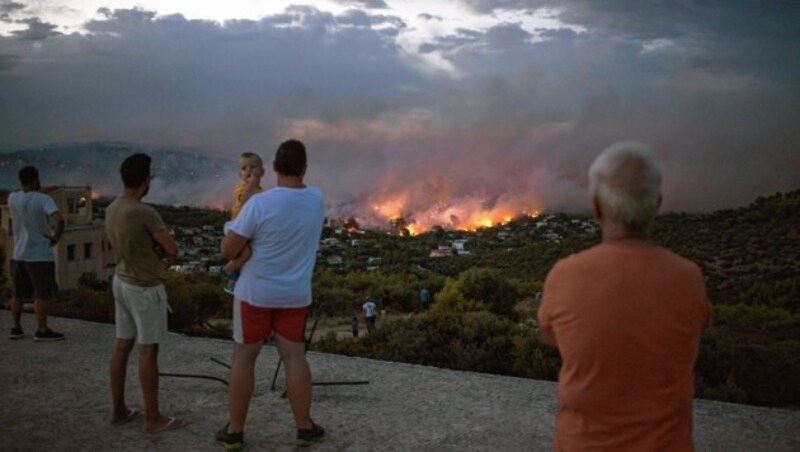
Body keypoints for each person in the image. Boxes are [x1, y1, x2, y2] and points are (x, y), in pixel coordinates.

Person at [537, 142, 712, 451]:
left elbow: (552, 337)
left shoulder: (565, 276)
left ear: (596, 207)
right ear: (657, 204)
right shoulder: (688, 278)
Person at [216, 139, 325, 450]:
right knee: (294, 357)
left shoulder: (259, 204)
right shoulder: (316, 199)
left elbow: (228, 249)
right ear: (304, 169)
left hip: (255, 294)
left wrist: (231, 226)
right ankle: (304, 427)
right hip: (294, 295)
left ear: (274, 168)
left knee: (244, 358)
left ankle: (235, 432)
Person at [105, 153, 185, 433]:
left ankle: (118, 410)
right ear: (145, 181)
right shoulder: (144, 212)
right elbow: (172, 249)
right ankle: (153, 418)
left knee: (121, 346)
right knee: (148, 351)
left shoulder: (112, 207)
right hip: (144, 287)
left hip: (121, 281)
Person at [7, 166, 65, 341]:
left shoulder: (12, 198)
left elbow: (26, 194)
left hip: (19, 253)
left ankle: (16, 328)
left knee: (17, 293)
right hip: (39, 255)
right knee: (41, 293)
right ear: (36, 180)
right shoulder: (44, 200)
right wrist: (56, 237)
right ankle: (42, 329)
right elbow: (59, 219)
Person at [221, 152, 265, 294]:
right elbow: (245, 198)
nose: (249, 170)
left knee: (250, 256)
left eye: (253, 167)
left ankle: (234, 282)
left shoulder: (262, 191)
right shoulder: (242, 188)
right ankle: (228, 270)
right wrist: (252, 183)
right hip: (236, 226)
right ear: (240, 174)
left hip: (248, 228)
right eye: (244, 168)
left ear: (262, 171)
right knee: (245, 253)